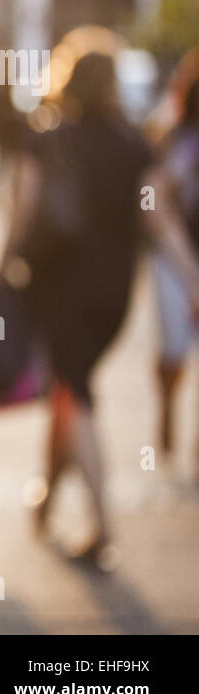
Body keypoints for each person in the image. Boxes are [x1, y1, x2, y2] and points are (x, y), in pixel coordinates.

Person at [2, 52, 199, 568]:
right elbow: (157, 217)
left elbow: (22, 207)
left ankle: (102, 527)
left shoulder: (46, 137)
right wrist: (190, 277)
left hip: (60, 287)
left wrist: (3, 265)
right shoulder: (135, 144)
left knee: (77, 394)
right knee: (70, 389)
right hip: (114, 294)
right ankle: (45, 498)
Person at [145, 47, 199, 470]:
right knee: (175, 349)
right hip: (175, 257)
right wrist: (189, 271)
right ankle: (167, 403)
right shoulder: (174, 137)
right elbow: (154, 204)